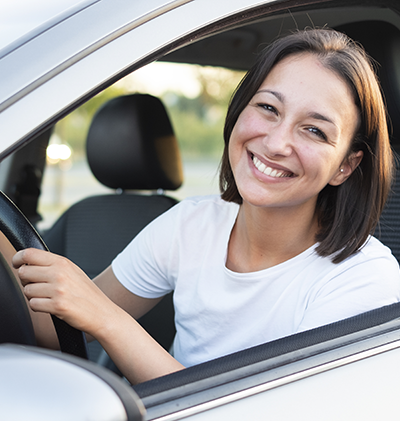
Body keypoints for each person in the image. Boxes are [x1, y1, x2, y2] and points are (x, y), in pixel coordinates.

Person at [12, 28, 400, 384]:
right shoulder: (190, 224)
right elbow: (55, 331)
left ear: (346, 166)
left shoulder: (364, 280)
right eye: (268, 108)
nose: (277, 143)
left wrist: (107, 319)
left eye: (314, 130)